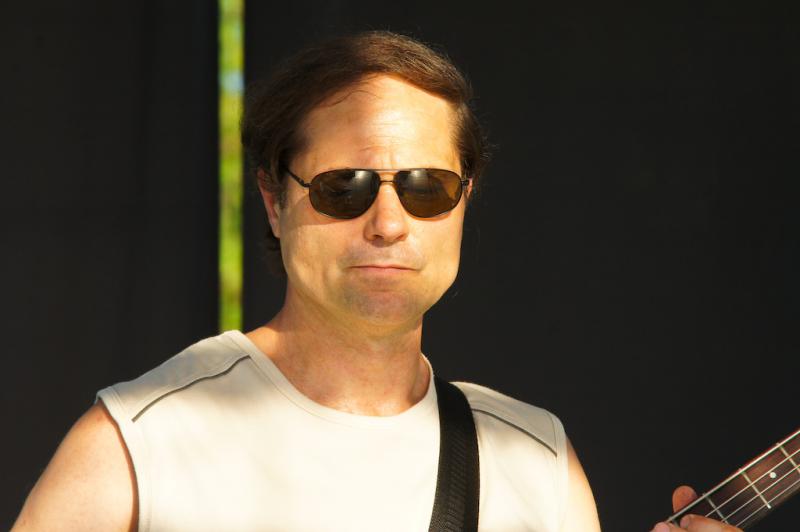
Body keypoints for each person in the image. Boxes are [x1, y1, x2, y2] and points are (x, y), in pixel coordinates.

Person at [13, 31, 739, 532]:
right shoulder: (144, 440)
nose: (388, 223)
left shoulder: (533, 457)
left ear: (464, 200)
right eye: (344, 187)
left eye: (427, 188)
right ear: (274, 201)